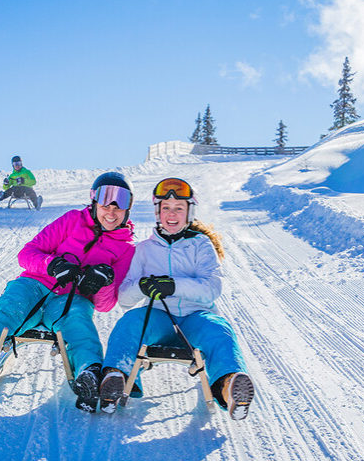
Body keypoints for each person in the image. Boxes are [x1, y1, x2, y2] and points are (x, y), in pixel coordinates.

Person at [0, 172, 136, 412]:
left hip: (72, 300)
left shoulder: (126, 248)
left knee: (79, 325)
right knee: (8, 311)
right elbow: (27, 254)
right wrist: (52, 265)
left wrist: (103, 283)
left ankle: (88, 374)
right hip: (34, 286)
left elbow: (105, 305)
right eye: (105, 202)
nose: (111, 212)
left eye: (119, 205)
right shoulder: (72, 220)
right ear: (94, 202)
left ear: (128, 209)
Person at [99, 176, 255, 420]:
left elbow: (211, 289)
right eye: (166, 208)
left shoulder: (201, 245)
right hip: (159, 319)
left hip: (196, 318)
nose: (172, 214)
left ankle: (229, 386)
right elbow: (125, 299)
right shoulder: (144, 250)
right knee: (130, 322)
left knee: (219, 330)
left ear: (189, 212)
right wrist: (143, 286)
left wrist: (173, 286)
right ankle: (115, 378)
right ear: (157, 212)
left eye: (179, 208)